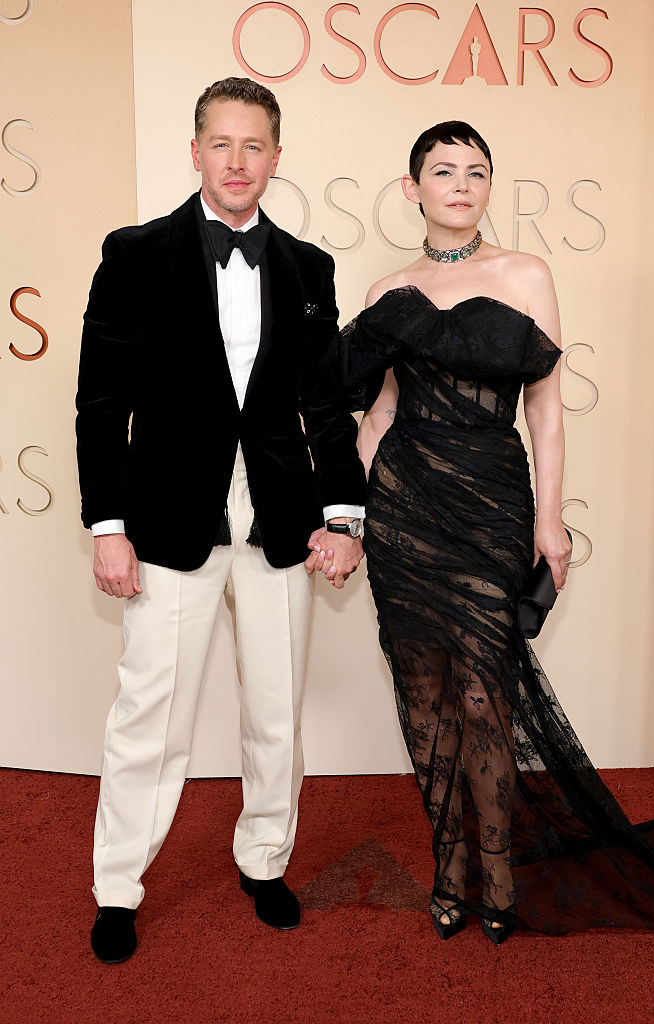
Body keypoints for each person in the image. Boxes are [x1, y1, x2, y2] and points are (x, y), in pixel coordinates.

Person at [312, 121, 654, 941]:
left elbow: (545, 409)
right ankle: (448, 865)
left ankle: (499, 866)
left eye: (475, 172)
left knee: (483, 693)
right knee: (424, 696)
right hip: (405, 507)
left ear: (488, 187)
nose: (460, 184)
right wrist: (346, 519)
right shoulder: (386, 291)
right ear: (411, 189)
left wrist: (549, 524)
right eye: (442, 171)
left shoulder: (524, 274)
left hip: (490, 503)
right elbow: (376, 414)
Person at [75, 77, 366, 964]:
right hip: (166, 521)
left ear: (277, 158)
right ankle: (119, 886)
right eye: (222, 144)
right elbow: (100, 401)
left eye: (255, 146)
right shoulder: (133, 254)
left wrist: (344, 515)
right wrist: (106, 524)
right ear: (194, 150)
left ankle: (263, 859)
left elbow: (327, 406)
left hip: (279, 523)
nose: (238, 162)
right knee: (149, 714)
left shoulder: (308, 268)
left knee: (275, 711)